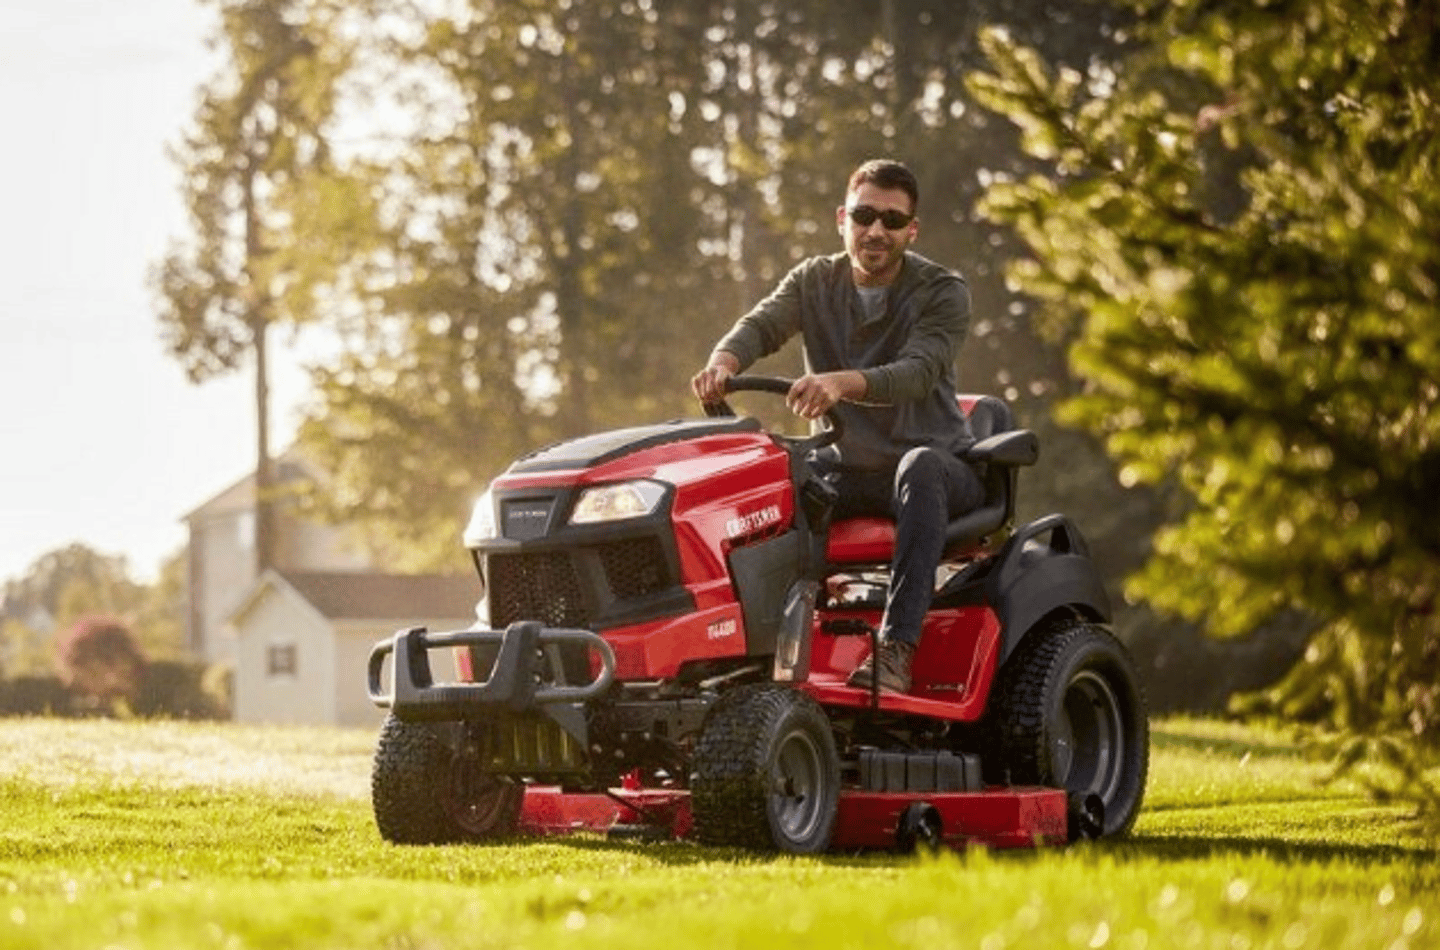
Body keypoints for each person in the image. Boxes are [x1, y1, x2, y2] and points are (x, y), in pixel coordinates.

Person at [691, 158, 983, 693]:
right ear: (842, 219)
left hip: (936, 472)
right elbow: (761, 325)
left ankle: (895, 652)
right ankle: (745, 648)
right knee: (773, 479)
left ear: (911, 231)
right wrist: (723, 365)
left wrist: (839, 384)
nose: (876, 230)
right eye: (865, 215)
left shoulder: (943, 291)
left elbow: (917, 373)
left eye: (892, 221)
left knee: (920, 468)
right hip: (848, 466)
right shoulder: (812, 281)